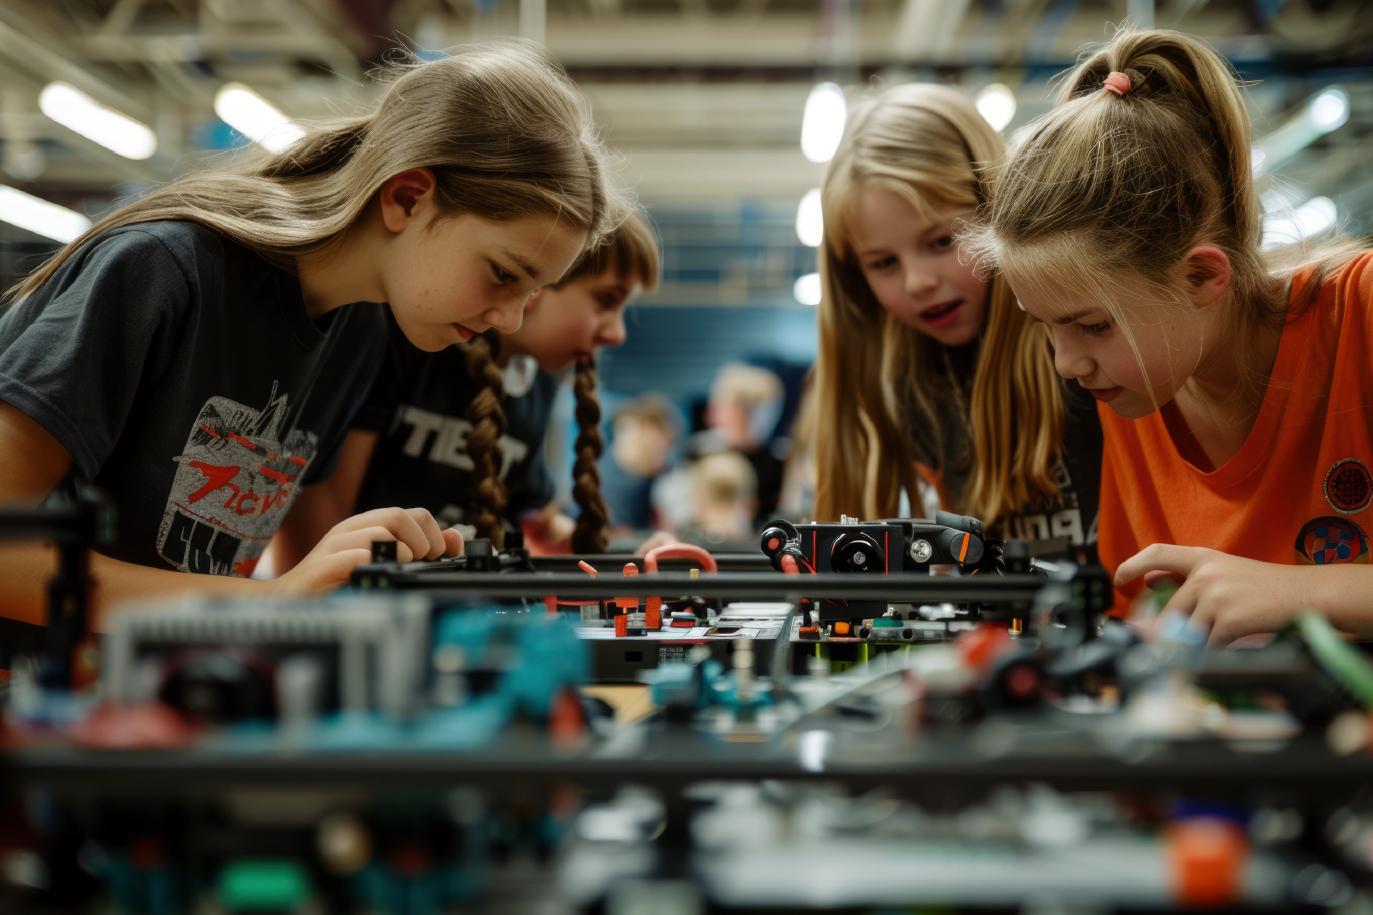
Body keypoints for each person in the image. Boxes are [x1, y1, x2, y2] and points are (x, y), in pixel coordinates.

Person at [0, 39, 618, 626]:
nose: (508, 320)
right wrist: (271, 602)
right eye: (503, 273)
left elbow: (292, 567)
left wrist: (357, 564)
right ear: (407, 198)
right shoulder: (161, 270)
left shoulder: (361, 331)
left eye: (530, 294)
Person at [963, 27, 1372, 643]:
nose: (1068, 363)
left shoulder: (1360, 312)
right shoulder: (1135, 384)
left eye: (1093, 326)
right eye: (1046, 326)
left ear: (1203, 275)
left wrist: (1300, 591)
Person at [273, 210, 660, 562]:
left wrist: (633, 555)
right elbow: (319, 504)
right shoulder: (408, 344)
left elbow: (532, 523)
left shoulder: (536, 386)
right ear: (542, 283)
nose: (617, 333)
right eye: (606, 301)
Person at [812, 82, 1100, 551]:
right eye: (884, 263)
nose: (917, 283)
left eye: (942, 241)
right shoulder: (907, 386)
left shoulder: (1090, 342)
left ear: (998, 210)